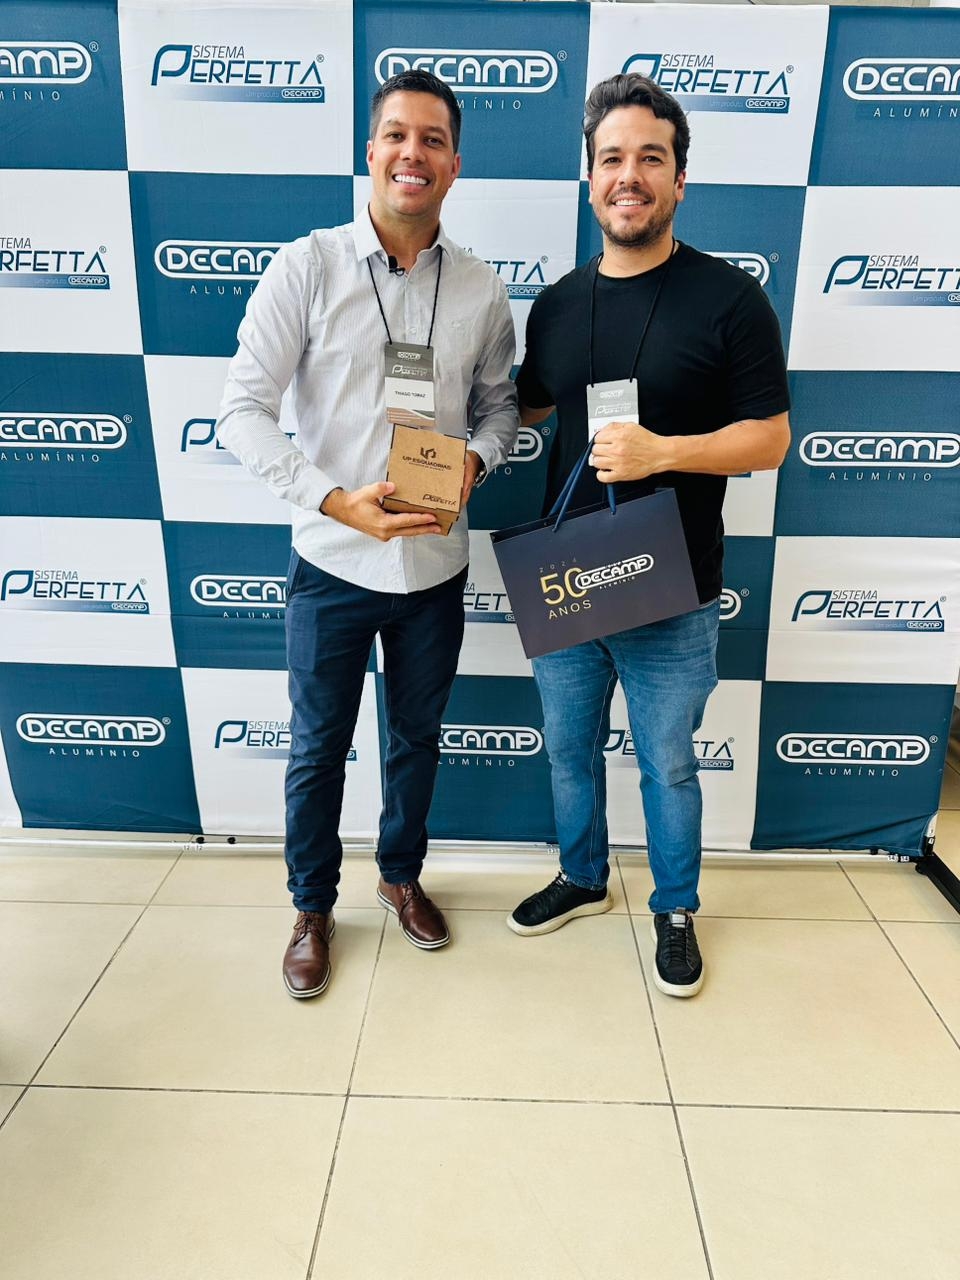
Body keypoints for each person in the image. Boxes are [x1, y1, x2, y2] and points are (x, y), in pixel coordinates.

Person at [217, 70, 518, 998]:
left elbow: (501, 407)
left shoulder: (481, 288)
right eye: (397, 135)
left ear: (455, 165)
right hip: (333, 564)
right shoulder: (308, 266)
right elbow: (241, 410)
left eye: (433, 140)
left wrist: (478, 462)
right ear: (371, 150)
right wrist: (331, 499)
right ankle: (312, 906)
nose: (412, 154)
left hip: (434, 568)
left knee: (415, 738)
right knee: (318, 748)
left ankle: (400, 876)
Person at [507, 73, 790, 997]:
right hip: (568, 578)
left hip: (673, 587)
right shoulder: (556, 303)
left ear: (679, 179)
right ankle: (583, 876)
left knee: (668, 763)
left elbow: (770, 438)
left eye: (650, 159)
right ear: (590, 177)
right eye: (612, 159)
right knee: (567, 748)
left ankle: (674, 907)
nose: (629, 176)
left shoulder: (730, 299)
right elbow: (528, 406)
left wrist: (665, 449)